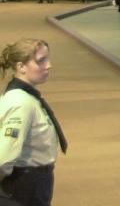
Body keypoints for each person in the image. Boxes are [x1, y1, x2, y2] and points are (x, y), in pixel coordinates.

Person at [0, 38, 67, 206]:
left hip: (35, 181)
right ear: (21, 67)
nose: (48, 65)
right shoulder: (20, 103)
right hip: (24, 185)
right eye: (41, 61)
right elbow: (4, 156)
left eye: (47, 59)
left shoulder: (28, 97)